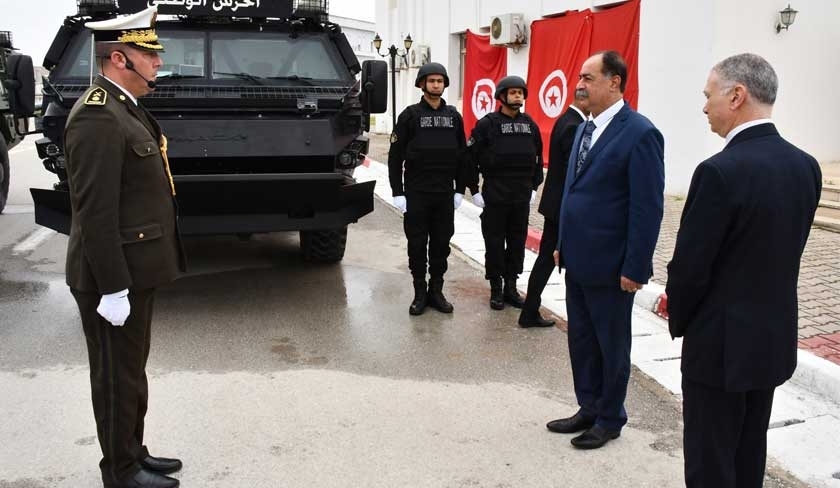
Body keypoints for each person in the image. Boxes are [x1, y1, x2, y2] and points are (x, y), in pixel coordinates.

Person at [666, 53, 821, 488]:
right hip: (770, 342)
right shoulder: (804, 165)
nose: (704, 107)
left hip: (719, 349)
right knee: (749, 453)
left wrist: (679, 317)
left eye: (708, 95)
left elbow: (690, 269)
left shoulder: (719, 171)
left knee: (710, 461)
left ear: (737, 95)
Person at [64, 7, 185, 488]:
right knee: (116, 377)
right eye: (149, 55)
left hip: (135, 271)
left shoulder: (123, 106)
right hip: (111, 277)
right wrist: (112, 287)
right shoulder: (97, 115)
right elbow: (94, 213)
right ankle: (119, 472)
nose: (157, 64)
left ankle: (134, 452)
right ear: (119, 58)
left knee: (131, 371)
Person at [546, 51, 664, 449]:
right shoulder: (585, 128)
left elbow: (646, 207)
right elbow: (570, 192)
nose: (579, 84)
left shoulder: (640, 133)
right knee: (581, 339)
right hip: (577, 259)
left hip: (613, 266)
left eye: (588, 77)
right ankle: (589, 406)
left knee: (611, 344)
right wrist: (561, 243)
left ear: (614, 82)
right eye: (579, 77)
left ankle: (611, 417)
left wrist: (636, 266)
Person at [388, 62, 475, 316]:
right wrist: (397, 191)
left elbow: (463, 156)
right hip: (417, 193)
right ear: (422, 84)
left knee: (441, 244)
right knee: (417, 244)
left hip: (444, 194)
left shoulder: (453, 117)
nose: (436, 84)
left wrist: (460, 189)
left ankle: (436, 291)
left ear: (444, 84)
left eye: (440, 81)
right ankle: (419, 292)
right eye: (431, 81)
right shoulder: (410, 115)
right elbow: (395, 157)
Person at [469, 75, 544, 311]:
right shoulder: (487, 124)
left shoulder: (530, 125)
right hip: (495, 194)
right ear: (501, 96)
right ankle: (496, 289)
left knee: (516, 242)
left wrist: (533, 187)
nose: (517, 96)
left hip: (520, 196)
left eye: (520, 92)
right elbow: (469, 159)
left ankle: (512, 287)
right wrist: (474, 190)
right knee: (494, 243)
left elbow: (538, 158)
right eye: (512, 92)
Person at [518, 91, 589, 328]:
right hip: (562, 206)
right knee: (548, 259)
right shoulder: (573, 125)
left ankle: (529, 311)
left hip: (556, 203)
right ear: (582, 100)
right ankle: (529, 312)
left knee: (547, 259)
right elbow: (576, 169)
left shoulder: (568, 119)